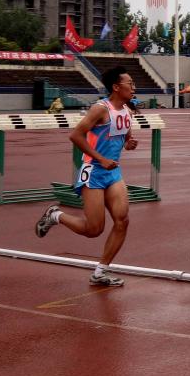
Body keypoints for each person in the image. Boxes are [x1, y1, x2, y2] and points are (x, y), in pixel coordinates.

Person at [35, 66, 139, 287]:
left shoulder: (127, 110)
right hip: (93, 171)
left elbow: (124, 137)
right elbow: (76, 136)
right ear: (116, 87)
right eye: (130, 83)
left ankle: (101, 272)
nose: (134, 87)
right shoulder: (100, 109)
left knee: (122, 221)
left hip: (113, 172)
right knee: (94, 229)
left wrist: (129, 143)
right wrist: (101, 158)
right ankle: (56, 216)